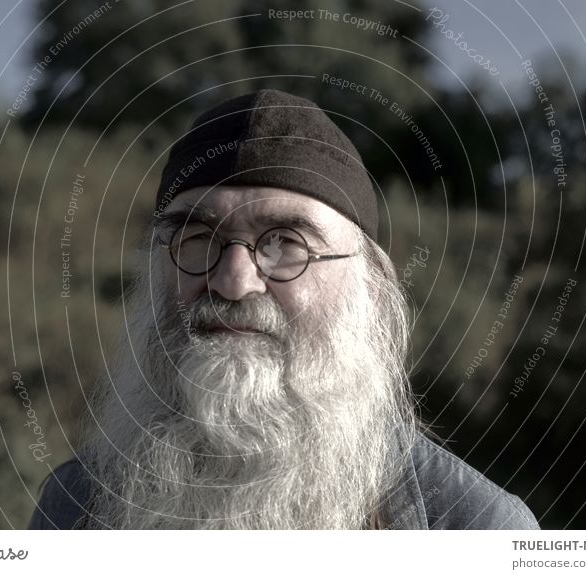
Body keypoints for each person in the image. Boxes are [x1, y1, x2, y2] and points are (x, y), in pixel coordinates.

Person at [28, 89, 539, 530]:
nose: (232, 282)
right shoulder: (74, 509)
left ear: (372, 290)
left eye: (285, 244)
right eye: (197, 237)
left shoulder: (472, 528)